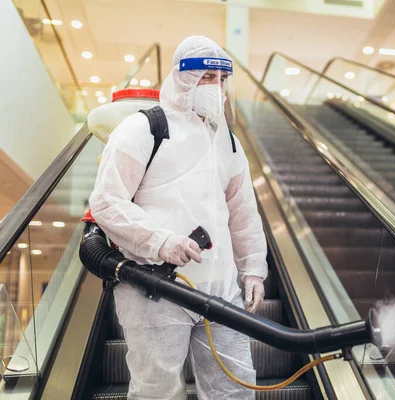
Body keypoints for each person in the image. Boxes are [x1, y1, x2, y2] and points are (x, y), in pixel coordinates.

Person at [89, 36, 267, 399]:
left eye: (220, 79)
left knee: (234, 389)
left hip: (222, 289)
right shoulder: (144, 128)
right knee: (158, 391)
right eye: (205, 77)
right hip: (155, 287)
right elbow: (107, 202)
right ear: (182, 77)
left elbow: (243, 213)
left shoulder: (228, 142)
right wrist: (162, 241)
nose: (215, 87)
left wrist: (252, 270)